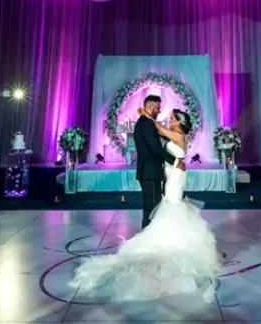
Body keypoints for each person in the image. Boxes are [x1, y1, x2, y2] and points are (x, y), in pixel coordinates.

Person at [70, 108, 220, 302]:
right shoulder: (177, 134)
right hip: (173, 172)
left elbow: (158, 128)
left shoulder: (177, 135)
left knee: (172, 203)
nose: (170, 120)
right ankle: (172, 238)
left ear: (179, 123)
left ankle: (172, 242)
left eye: (173, 118)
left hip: (175, 175)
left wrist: (146, 114)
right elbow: (160, 130)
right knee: (171, 203)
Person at [131, 95, 185, 229]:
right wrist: (175, 161)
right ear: (150, 106)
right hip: (150, 172)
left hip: (147, 172)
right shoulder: (147, 124)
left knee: (150, 207)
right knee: (153, 208)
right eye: (158, 108)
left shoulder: (143, 122)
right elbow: (155, 148)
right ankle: (149, 239)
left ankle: (147, 236)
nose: (159, 111)